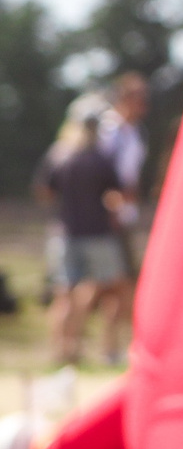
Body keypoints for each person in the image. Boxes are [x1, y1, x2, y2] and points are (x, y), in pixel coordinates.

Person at [32, 111, 129, 367]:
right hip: (98, 233)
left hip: (64, 232)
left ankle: (62, 351)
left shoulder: (58, 154)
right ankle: (109, 350)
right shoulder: (100, 158)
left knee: (64, 293)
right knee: (112, 291)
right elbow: (117, 196)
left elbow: (44, 191)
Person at [93, 73, 150, 363]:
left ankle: (115, 347)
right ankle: (113, 347)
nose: (144, 105)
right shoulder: (110, 129)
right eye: (139, 98)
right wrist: (112, 208)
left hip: (126, 215)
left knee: (123, 284)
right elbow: (104, 175)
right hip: (111, 216)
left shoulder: (134, 131)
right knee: (114, 284)